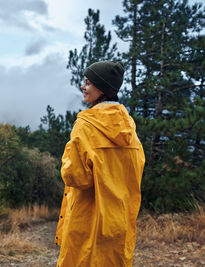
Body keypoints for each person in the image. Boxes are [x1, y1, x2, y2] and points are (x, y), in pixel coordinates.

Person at [54, 61, 145, 266]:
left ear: (102, 88)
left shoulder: (85, 125)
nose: (82, 87)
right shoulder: (129, 128)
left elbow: (76, 177)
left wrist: (68, 152)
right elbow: (135, 172)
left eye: (88, 83)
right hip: (119, 221)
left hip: (88, 221)